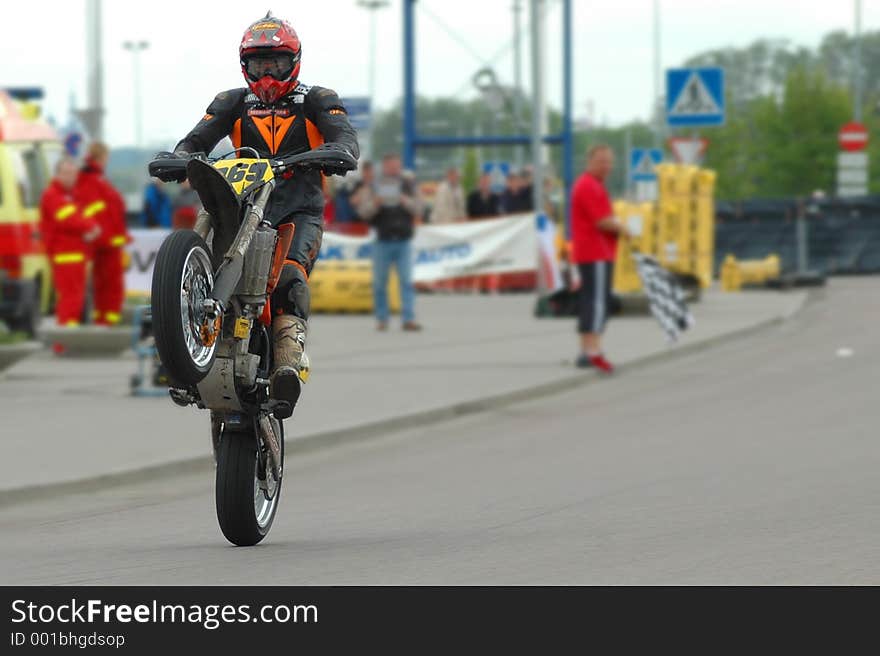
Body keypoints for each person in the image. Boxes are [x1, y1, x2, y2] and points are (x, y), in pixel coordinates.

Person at [172, 12, 359, 415]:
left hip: (298, 210)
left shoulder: (318, 98)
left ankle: (288, 362)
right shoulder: (232, 101)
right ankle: (179, 346)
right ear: (245, 65)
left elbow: (343, 136)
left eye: (276, 61)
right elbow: (196, 138)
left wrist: (338, 151)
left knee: (289, 276)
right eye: (259, 63)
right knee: (198, 257)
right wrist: (180, 157)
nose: (268, 71)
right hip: (242, 207)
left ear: (294, 61)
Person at [570, 144, 630, 373]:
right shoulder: (589, 186)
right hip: (596, 251)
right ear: (590, 162)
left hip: (594, 251)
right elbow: (601, 220)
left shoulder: (593, 185)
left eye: (609, 161)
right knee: (597, 302)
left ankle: (587, 349)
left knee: (590, 300)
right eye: (602, 161)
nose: (607, 166)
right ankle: (593, 349)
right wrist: (624, 229)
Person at [353, 153, 422, 331]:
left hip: (403, 240)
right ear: (384, 167)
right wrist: (376, 203)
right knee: (379, 283)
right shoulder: (374, 186)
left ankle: (408, 318)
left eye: (396, 166)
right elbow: (363, 212)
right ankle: (382, 319)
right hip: (382, 241)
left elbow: (420, 208)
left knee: (406, 281)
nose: (393, 170)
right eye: (390, 166)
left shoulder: (408, 185)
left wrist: (404, 200)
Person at [39, 158, 101, 326]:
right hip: (65, 255)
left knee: (75, 300)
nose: (70, 178)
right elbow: (68, 218)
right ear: (57, 174)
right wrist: (91, 227)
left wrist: (91, 226)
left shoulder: (69, 195)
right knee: (70, 300)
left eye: (73, 174)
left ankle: (68, 339)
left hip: (75, 255)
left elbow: (82, 215)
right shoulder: (53, 195)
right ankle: (64, 342)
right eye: (66, 173)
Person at [77, 142, 130, 326]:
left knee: (104, 287)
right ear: (101, 157)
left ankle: (105, 324)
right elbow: (97, 211)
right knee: (110, 287)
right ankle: (107, 326)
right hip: (106, 243)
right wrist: (109, 237)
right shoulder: (92, 179)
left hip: (106, 241)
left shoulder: (92, 177)